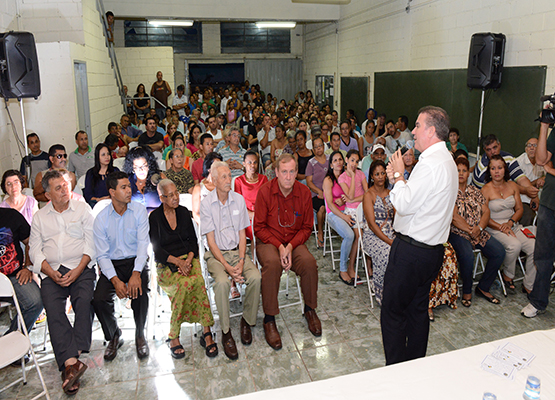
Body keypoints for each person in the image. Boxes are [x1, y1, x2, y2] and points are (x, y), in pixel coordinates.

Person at [381, 106, 457, 365]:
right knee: (417, 311)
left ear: (431, 130)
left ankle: (396, 372)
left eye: (417, 125)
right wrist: (401, 177)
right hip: (432, 252)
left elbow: (403, 204)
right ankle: (415, 367)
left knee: (392, 312)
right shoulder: (447, 160)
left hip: (411, 253)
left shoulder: (431, 164)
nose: (412, 131)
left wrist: (397, 175)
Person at [29, 169, 96, 395]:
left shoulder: (82, 208)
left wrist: (77, 271)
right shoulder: (39, 217)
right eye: (58, 188)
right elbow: (34, 250)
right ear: (47, 195)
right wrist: (49, 271)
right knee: (52, 308)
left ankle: (71, 357)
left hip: (80, 266)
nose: (65, 190)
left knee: (84, 299)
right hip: (52, 271)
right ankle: (71, 363)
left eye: (66, 185)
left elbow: (92, 243)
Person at [254, 154, 321, 350]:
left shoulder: (304, 192)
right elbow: (258, 227)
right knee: (272, 264)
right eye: (284, 172)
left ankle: (310, 309)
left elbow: (307, 227)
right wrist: (280, 246)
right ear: (276, 173)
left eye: (292, 172)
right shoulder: (265, 192)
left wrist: (290, 246)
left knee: (309, 263)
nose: (289, 177)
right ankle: (269, 318)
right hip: (269, 241)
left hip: (294, 241)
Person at [149, 179, 217, 359]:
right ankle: (174, 335)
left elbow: (192, 244)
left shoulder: (184, 213)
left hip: (188, 260)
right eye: (170, 195)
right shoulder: (154, 218)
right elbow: (158, 251)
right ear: (161, 198)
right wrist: (178, 263)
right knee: (185, 285)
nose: (175, 198)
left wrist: (187, 261)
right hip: (167, 265)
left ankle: (207, 331)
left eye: (176, 193)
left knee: (198, 281)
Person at [200, 162, 261, 360]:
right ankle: (226, 332)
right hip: (216, 256)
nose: (229, 180)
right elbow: (210, 241)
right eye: (224, 177)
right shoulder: (207, 203)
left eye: (229, 176)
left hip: (237, 252)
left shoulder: (239, 200)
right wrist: (227, 267)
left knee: (255, 278)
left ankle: (247, 321)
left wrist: (242, 261)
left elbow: (243, 235)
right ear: (215, 180)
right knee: (223, 283)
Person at [92, 171, 150, 361]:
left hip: (135, 262)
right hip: (112, 265)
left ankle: (140, 334)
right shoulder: (101, 219)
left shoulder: (139, 211)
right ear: (112, 192)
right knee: (99, 299)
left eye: (129, 186)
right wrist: (115, 281)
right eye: (123, 187)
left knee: (140, 292)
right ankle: (114, 335)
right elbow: (102, 255)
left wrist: (136, 273)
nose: (129, 190)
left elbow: (143, 246)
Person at [449, 157, 505, 307]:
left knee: (499, 252)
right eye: (458, 170)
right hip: (457, 233)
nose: (461, 173)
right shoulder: (449, 192)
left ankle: (483, 287)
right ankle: (467, 290)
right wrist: (469, 230)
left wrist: (479, 228)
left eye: (464, 170)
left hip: (478, 231)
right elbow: (453, 217)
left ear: (468, 173)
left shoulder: (475, 190)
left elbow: (486, 211)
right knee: (467, 255)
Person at [482, 155, 536, 294]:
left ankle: (528, 285)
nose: (497, 171)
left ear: (505, 169)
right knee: (514, 245)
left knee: (534, 247)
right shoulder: (486, 190)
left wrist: (510, 223)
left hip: (513, 224)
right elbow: (483, 217)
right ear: (489, 171)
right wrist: (502, 227)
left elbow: (519, 209)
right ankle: (508, 275)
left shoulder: (512, 185)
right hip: (494, 227)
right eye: (493, 168)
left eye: (500, 168)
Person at [521, 107, 555, 318]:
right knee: (543, 256)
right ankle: (538, 302)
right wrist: (545, 125)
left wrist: (551, 170)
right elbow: (542, 159)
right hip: (550, 203)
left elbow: (546, 166)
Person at [0, 207, 43, 338]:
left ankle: (14, 340)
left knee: (36, 302)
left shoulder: (11, 215)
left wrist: (27, 267)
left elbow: (31, 241)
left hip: (14, 277)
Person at [472, 134, 539, 207]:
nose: (493, 152)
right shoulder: (482, 169)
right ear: (484, 150)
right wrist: (525, 190)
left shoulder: (508, 158)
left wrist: (533, 194)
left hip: (504, 198)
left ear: (499, 145)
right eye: (489, 150)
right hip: (482, 202)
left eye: (495, 147)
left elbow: (521, 178)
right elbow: (482, 196)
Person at [362, 160, 394, 305]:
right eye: (377, 174)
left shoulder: (390, 193)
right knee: (388, 252)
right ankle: (383, 293)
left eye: (382, 173)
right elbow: (372, 225)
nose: (380, 177)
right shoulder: (369, 195)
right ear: (372, 177)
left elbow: (398, 218)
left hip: (391, 233)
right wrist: (389, 241)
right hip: (373, 236)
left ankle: (398, 291)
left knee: (406, 251)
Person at [234, 150, 268, 240]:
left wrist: (260, 215)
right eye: (249, 162)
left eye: (255, 162)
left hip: (263, 216)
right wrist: (250, 214)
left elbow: (268, 200)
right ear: (244, 164)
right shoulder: (239, 181)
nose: (252, 165)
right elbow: (238, 204)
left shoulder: (263, 179)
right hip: (246, 217)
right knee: (254, 231)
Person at [123, 146, 165, 212]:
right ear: (132, 168)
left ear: (149, 165)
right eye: (137, 167)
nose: (141, 170)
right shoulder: (126, 181)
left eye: (144, 165)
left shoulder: (159, 177)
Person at [306, 137, 329, 248]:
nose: (319, 148)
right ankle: (320, 231)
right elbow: (309, 182)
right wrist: (319, 191)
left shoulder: (330, 159)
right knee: (322, 209)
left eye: (320, 146)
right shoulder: (311, 163)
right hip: (317, 194)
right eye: (316, 147)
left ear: (324, 147)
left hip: (330, 193)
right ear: (313, 150)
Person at [516, 138, 545, 226]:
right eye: (529, 145)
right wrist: (535, 182)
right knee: (528, 216)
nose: (532, 148)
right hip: (523, 199)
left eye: (535, 145)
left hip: (539, 199)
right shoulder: (519, 162)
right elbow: (515, 186)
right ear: (526, 149)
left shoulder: (542, 161)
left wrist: (544, 178)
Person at [83, 143, 119, 207]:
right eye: (103, 155)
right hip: (97, 205)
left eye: (108, 154)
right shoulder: (91, 173)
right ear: (98, 157)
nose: (106, 157)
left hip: (114, 204)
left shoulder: (115, 171)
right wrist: (99, 200)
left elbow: (121, 189)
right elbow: (88, 195)